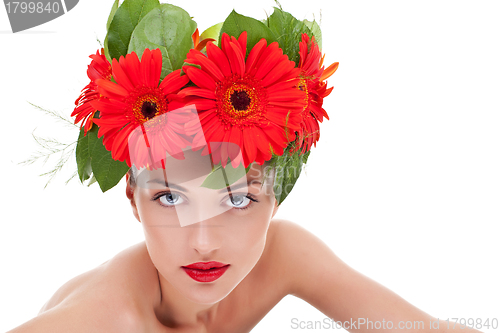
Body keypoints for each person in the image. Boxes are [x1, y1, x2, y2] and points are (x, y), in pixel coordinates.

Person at [2, 1, 498, 332]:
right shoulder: (106, 317)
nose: (202, 240)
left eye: (238, 199)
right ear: (132, 195)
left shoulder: (283, 253)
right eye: (170, 197)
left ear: (277, 194)